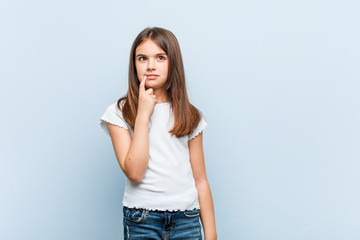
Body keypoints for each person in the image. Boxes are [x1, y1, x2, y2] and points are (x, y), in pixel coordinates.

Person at [99, 26, 217, 240]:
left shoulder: (190, 115)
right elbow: (135, 172)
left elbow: (200, 180)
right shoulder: (119, 112)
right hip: (141, 219)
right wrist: (143, 116)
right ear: (134, 64)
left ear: (173, 63)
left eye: (160, 58)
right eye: (142, 58)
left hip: (187, 219)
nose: (150, 66)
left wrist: (211, 235)